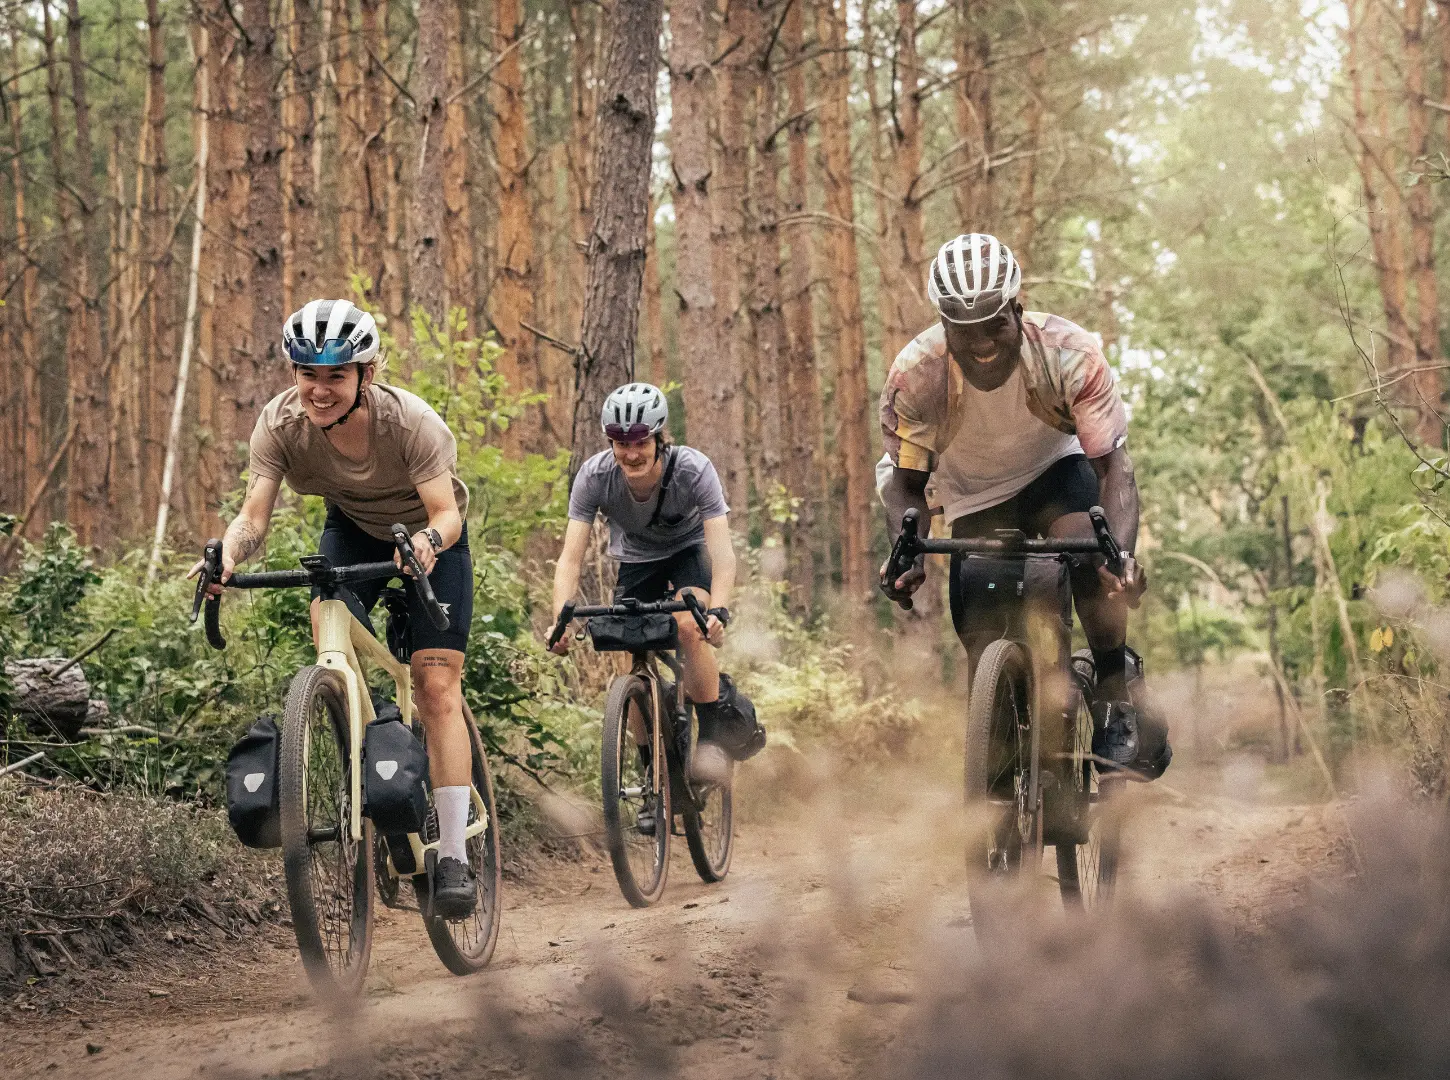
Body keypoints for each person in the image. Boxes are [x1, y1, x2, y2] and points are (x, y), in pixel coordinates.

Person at [189, 298, 482, 917]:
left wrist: (426, 546)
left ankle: (453, 852)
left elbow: (447, 514)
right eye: (307, 374)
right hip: (350, 528)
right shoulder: (278, 423)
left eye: (335, 376)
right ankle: (365, 721)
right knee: (327, 618)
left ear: (365, 376)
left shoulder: (411, 424)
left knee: (434, 686)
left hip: (431, 540)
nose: (319, 390)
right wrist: (230, 557)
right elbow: (253, 517)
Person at [878, 233, 1170, 778]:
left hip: (1054, 471)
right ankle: (1001, 734)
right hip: (969, 493)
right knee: (980, 608)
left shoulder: (1069, 352)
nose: (983, 342)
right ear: (944, 325)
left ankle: (1113, 692)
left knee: (1086, 551)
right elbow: (905, 484)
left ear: (1017, 307)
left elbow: (1115, 469)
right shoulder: (916, 374)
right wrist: (907, 552)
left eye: (995, 323)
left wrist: (1118, 557)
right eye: (965, 330)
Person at [549, 383, 757, 831]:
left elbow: (722, 554)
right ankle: (652, 775)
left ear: (661, 437)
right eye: (621, 443)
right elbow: (570, 558)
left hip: (689, 554)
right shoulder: (594, 476)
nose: (631, 453)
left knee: (687, 625)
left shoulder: (693, 470)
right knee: (631, 652)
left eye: (641, 441)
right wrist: (561, 617)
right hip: (636, 560)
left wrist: (717, 611)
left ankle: (712, 735)